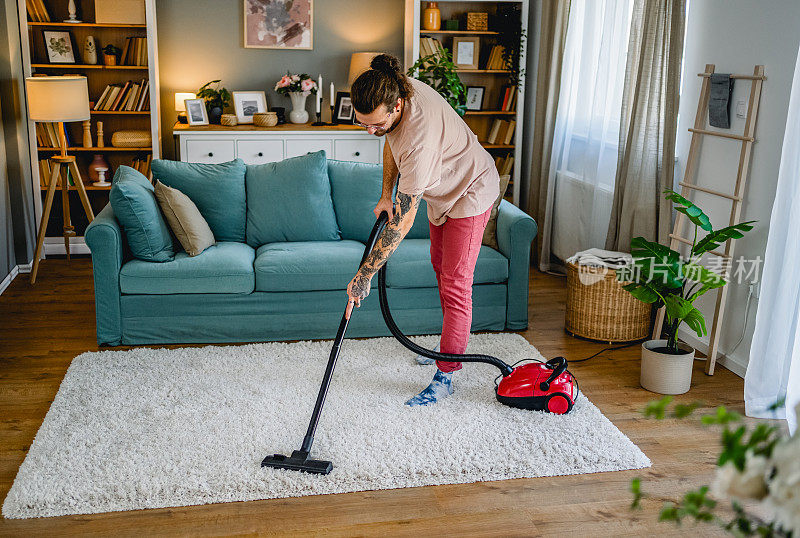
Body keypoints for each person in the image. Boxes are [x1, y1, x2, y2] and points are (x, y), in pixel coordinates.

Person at [346, 53, 500, 407]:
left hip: (470, 190)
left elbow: (400, 224)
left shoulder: (420, 140)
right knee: (440, 269)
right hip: (442, 190)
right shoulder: (394, 88)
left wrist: (366, 273)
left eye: (375, 124)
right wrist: (386, 194)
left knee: (456, 283)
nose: (370, 131)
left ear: (397, 107)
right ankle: (450, 346)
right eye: (362, 124)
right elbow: (390, 140)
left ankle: (447, 373)